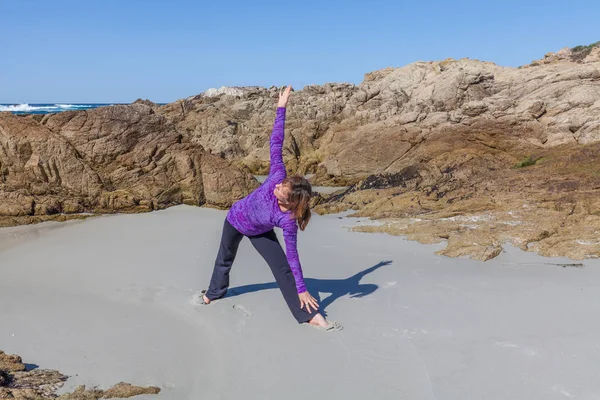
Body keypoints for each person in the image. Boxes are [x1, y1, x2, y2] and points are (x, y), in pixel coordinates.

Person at [194, 85, 341, 331]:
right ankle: (213, 293)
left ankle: (309, 315)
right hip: (235, 219)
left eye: (280, 192)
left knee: (282, 268)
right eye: (279, 186)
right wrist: (281, 107)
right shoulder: (277, 176)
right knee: (225, 258)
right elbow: (277, 140)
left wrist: (303, 289)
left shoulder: (288, 220)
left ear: (289, 202)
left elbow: (293, 258)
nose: (274, 189)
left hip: (259, 231)